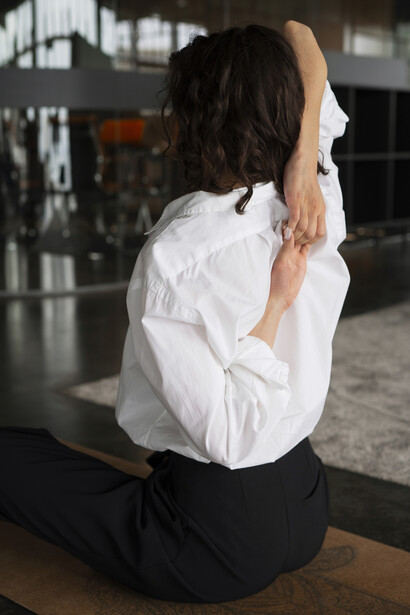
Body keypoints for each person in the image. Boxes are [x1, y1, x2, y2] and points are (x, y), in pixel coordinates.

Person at [0, 20, 350, 604]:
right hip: (308, 498)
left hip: (218, 540)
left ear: (199, 121)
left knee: (11, 463)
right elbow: (302, 37)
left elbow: (233, 438)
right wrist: (304, 152)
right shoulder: (317, 185)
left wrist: (274, 305)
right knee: (41, 451)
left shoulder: (176, 254)